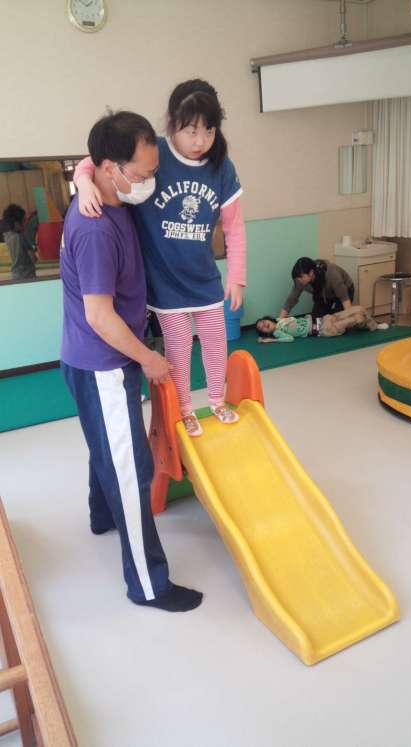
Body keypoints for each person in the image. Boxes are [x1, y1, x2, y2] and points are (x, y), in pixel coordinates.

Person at [60, 110, 202, 612]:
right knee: (130, 468)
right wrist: (148, 358)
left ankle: (101, 517)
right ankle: (148, 584)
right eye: (142, 174)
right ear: (110, 167)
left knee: (107, 443)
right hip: (103, 361)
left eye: (152, 171)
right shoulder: (96, 228)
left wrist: (82, 178)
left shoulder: (109, 193)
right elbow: (100, 316)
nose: (148, 181)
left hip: (90, 358)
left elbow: (87, 161)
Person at [74, 79, 246, 438]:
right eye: (191, 131)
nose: (200, 141)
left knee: (216, 342)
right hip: (166, 284)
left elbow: (234, 226)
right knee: (178, 349)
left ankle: (217, 400)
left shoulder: (221, 166)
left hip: (204, 279)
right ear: (172, 124)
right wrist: (84, 182)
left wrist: (236, 275)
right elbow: (95, 160)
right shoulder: (155, 152)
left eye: (209, 131)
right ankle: (184, 408)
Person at [256, 305, 387, 342]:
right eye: (262, 328)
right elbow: (289, 339)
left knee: (359, 309)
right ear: (266, 333)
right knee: (357, 318)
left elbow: (289, 303)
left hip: (324, 319)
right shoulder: (278, 332)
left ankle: (373, 326)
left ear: (268, 319)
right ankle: (370, 325)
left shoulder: (280, 320)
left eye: (263, 322)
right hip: (324, 330)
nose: (264, 325)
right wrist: (270, 340)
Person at [279, 257, 354, 320]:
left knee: (340, 319)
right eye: (298, 279)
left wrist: (349, 317)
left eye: (301, 277)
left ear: (311, 272)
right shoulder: (300, 281)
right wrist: (280, 321)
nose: (299, 280)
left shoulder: (331, 274)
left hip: (345, 289)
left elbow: (344, 298)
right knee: (316, 320)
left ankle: (335, 314)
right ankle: (331, 314)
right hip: (324, 294)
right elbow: (291, 300)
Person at [2, 203, 37, 280]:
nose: (26, 222)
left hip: (15, 274)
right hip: (27, 274)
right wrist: (33, 250)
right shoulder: (21, 237)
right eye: (24, 220)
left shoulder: (7, 237)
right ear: (16, 224)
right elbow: (33, 258)